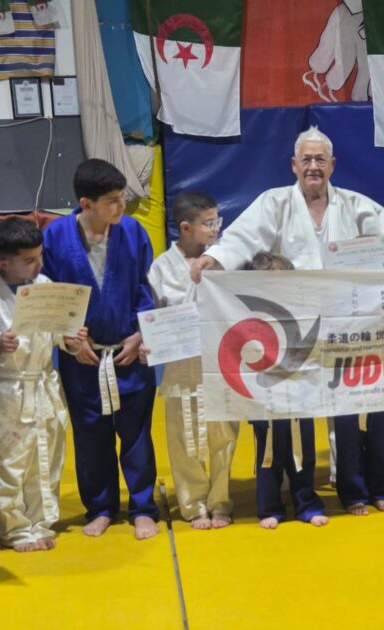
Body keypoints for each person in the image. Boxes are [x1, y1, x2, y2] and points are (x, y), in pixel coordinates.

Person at [191, 127, 384, 516]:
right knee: (294, 410)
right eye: (305, 159)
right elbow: (241, 238)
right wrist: (214, 259)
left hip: (348, 324)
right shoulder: (273, 203)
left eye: (320, 159)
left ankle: (350, 483)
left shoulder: (356, 205)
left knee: (351, 401)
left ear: (332, 164)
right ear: (293, 164)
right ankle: (287, 487)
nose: (313, 166)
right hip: (293, 326)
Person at [42, 159, 160, 539]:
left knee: (136, 431)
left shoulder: (133, 232)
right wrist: (68, 339)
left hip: (128, 350)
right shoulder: (55, 237)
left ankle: (143, 507)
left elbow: (146, 287)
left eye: (122, 197)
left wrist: (141, 333)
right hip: (83, 357)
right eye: (112, 200)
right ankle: (101, 507)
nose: (122, 205)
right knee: (90, 433)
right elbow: (48, 294)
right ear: (86, 203)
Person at [0, 218, 87, 551]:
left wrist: (71, 340)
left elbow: (59, 334)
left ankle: (41, 523)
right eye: (29, 260)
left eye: (40, 256)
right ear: (3, 262)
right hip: (7, 386)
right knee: (9, 462)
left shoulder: (45, 284)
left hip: (44, 382)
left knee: (46, 457)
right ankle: (17, 529)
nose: (39, 265)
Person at [146, 191, 239, 530]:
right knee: (183, 436)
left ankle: (220, 499)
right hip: (181, 364)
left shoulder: (224, 258)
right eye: (208, 223)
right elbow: (155, 314)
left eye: (217, 221)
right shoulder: (161, 267)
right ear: (185, 227)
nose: (216, 229)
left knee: (224, 435)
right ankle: (193, 502)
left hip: (220, 361)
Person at [244, 252, 328, 529]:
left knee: (303, 451)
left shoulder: (301, 311)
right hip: (265, 397)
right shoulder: (249, 317)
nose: (276, 286)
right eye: (269, 281)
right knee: (269, 453)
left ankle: (307, 503)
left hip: (299, 394)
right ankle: (269, 507)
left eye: (282, 280)